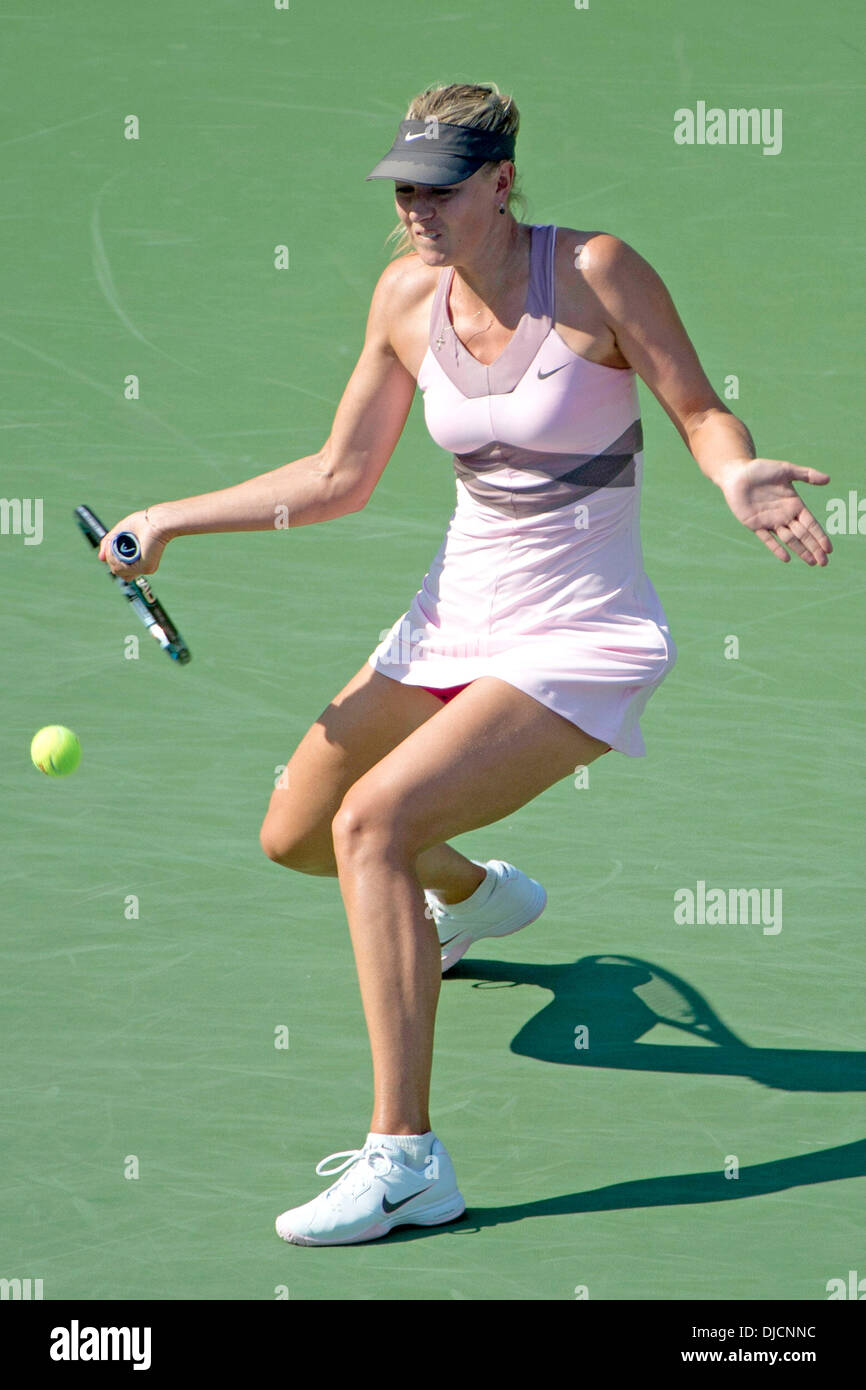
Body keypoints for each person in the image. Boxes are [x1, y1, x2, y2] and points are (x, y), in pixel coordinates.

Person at [99, 82, 832, 1247]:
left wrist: (731, 470)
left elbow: (695, 410)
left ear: (499, 181)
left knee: (369, 825)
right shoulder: (405, 297)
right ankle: (475, 895)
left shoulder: (595, 273)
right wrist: (173, 515)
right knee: (295, 833)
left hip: (578, 633)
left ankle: (406, 1161)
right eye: (402, 190)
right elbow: (341, 477)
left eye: (438, 190)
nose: (415, 212)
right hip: (452, 617)